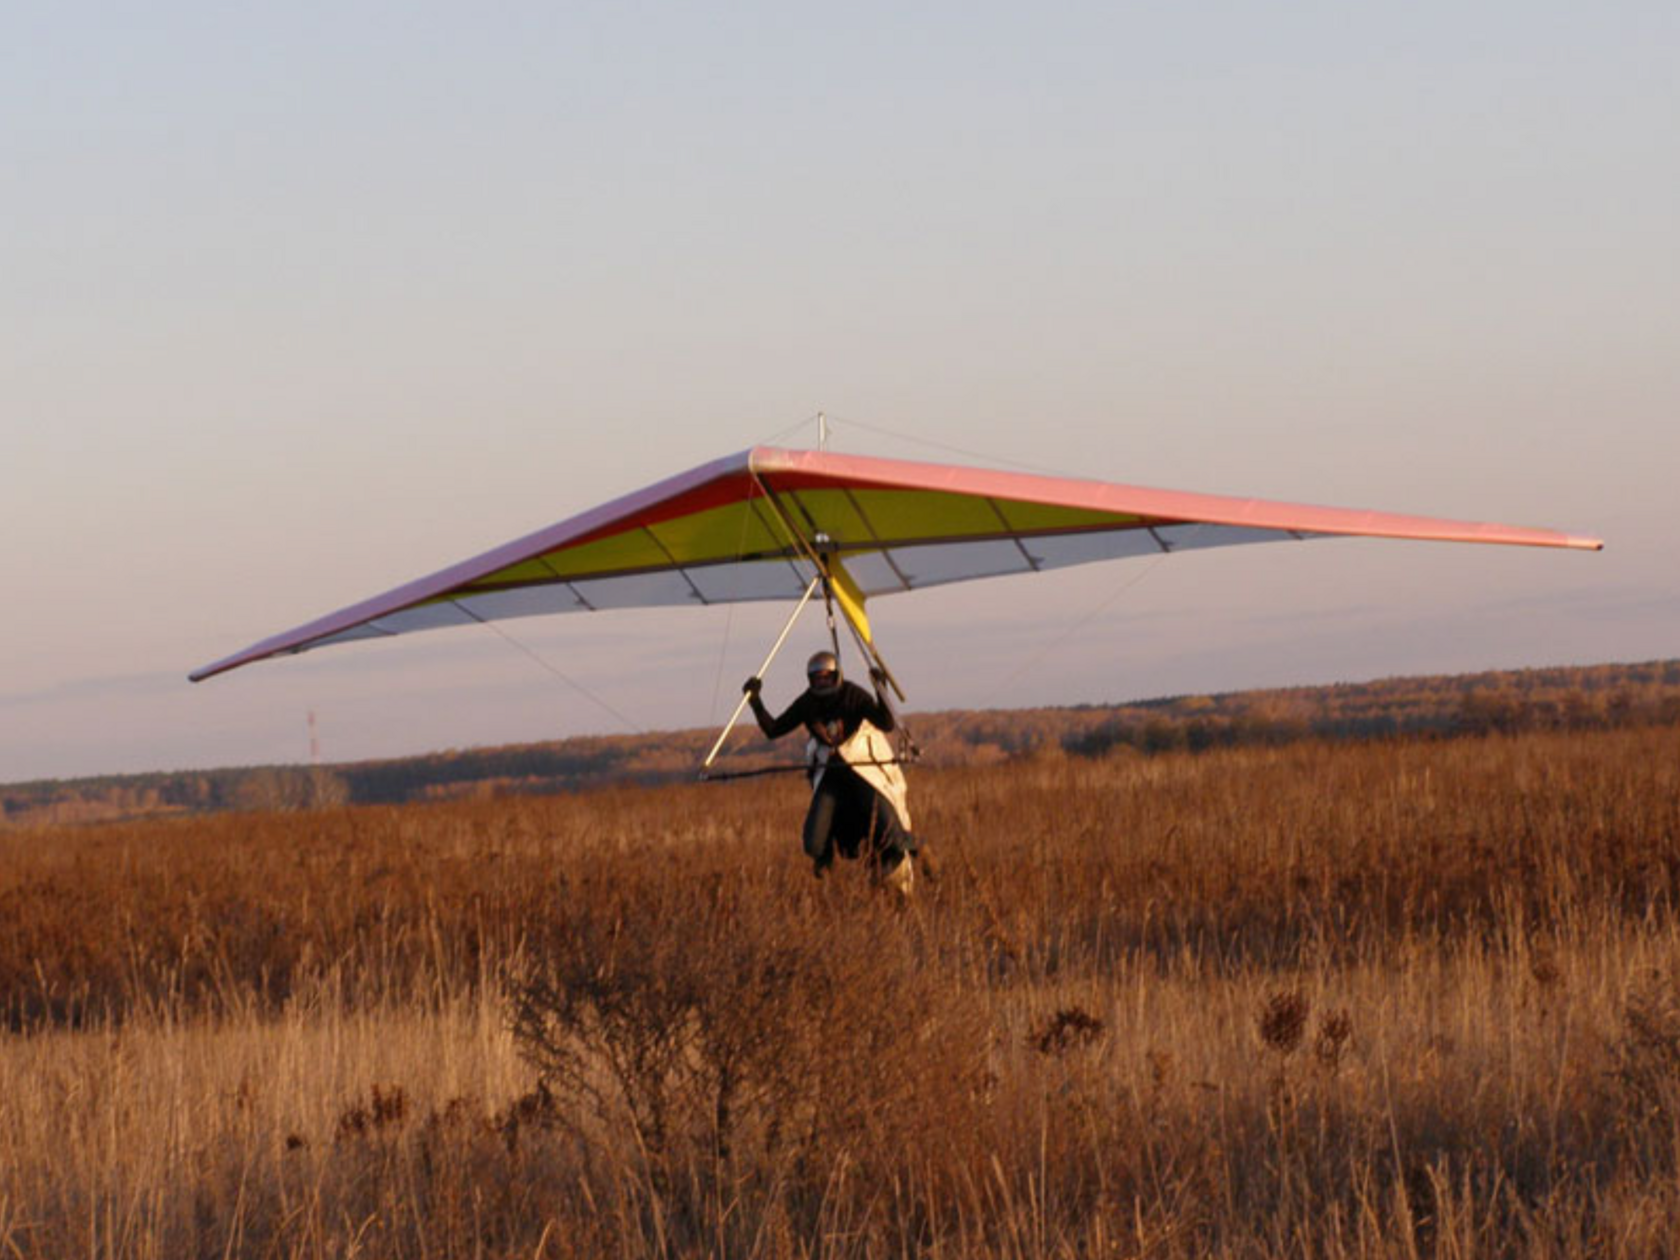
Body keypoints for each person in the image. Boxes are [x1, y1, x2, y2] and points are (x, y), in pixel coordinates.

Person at [744, 651, 916, 891]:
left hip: (860, 770)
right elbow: (774, 729)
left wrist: (881, 691)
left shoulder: (852, 695)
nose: (821, 683)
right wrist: (755, 701)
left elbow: (885, 723)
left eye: (826, 678)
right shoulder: (808, 703)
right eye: (816, 679)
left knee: (887, 823)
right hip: (833, 774)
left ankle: (913, 849)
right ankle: (824, 862)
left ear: (837, 676)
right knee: (813, 840)